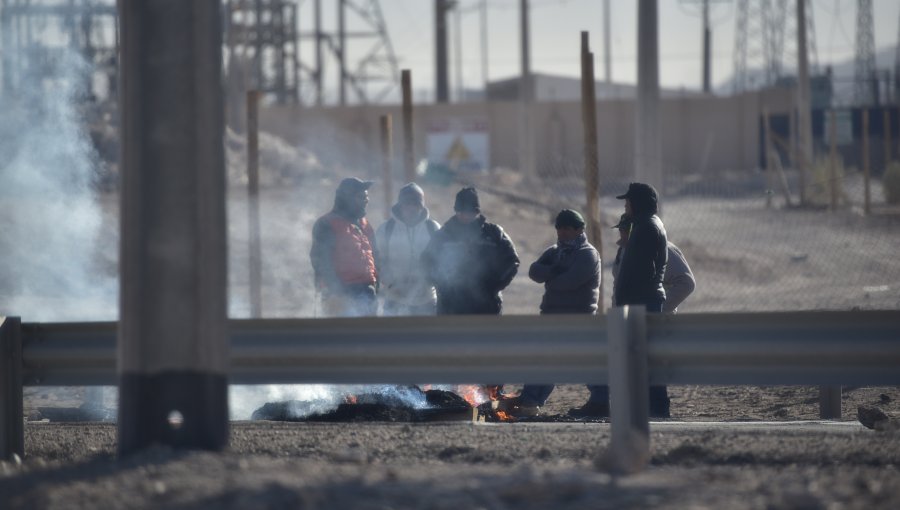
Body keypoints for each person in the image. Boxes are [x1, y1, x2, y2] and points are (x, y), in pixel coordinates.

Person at [569, 182, 671, 418]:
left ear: (638, 203)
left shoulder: (646, 227)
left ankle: (657, 409)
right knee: (642, 360)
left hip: (641, 303)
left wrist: (626, 303)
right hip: (640, 302)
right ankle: (653, 408)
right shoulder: (644, 225)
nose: (625, 208)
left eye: (628, 203)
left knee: (644, 360)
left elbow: (641, 271)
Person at [506, 209, 601, 417]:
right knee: (541, 358)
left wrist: (551, 276)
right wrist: (552, 272)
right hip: (551, 316)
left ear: (578, 230)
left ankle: (601, 400)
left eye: (566, 229)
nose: (561, 233)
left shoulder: (587, 254)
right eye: (559, 228)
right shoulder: (555, 251)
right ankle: (530, 401)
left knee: (585, 361)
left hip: (578, 319)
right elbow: (534, 271)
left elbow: (568, 282)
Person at [421, 186, 519, 315]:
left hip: (486, 307)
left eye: (470, 212)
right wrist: (442, 286)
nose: (466, 216)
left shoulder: (494, 233)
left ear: (477, 212)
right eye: (462, 212)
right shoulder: (443, 235)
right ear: (456, 211)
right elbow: (426, 262)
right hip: (450, 307)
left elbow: (512, 261)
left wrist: (494, 286)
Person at [310, 177, 379, 317]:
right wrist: (337, 292)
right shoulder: (327, 224)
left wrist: (377, 286)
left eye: (366, 196)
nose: (366, 200)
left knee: (369, 337)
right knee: (343, 337)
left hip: (367, 293)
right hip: (340, 296)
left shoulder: (365, 224)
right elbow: (321, 261)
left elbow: (376, 256)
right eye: (361, 196)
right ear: (347, 199)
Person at [375, 183, 441, 316]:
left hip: (427, 300)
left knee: (430, 336)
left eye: (415, 204)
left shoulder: (433, 228)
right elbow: (377, 260)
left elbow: (441, 260)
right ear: (400, 205)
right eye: (407, 204)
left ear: (421, 206)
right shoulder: (386, 229)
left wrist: (430, 281)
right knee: (392, 336)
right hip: (395, 299)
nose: (411, 208)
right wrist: (390, 282)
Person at [611, 213, 696, 314]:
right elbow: (618, 287)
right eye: (620, 229)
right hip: (629, 320)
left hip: (658, 323)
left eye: (626, 229)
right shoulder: (623, 251)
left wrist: (659, 310)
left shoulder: (662, 250)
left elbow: (686, 283)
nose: (621, 233)